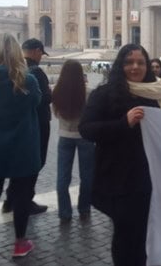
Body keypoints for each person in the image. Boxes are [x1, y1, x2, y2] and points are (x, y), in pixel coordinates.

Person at [79, 44, 161, 266]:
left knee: (143, 233)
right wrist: (124, 123)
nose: (135, 67)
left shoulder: (159, 93)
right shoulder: (104, 94)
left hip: (150, 178)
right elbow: (86, 129)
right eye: (129, 62)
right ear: (120, 65)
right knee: (125, 236)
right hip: (118, 179)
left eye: (140, 62)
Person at [0, 34, 42, 260]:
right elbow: (37, 101)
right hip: (21, 145)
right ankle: (20, 243)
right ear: (16, 52)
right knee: (22, 197)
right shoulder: (27, 80)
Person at [2, 38, 50, 215]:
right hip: (38, 123)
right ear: (37, 51)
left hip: (18, 123)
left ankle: (10, 199)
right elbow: (44, 98)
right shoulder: (37, 72)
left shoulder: (13, 69)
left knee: (19, 161)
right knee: (35, 161)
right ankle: (25, 200)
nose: (41, 57)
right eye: (41, 54)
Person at [52, 60, 95, 224]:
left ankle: (65, 212)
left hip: (64, 136)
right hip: (84, 137)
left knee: (62, 177)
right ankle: (84, 208)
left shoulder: (57, 91)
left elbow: (55, 114)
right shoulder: (88, 92)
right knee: (87, 176)